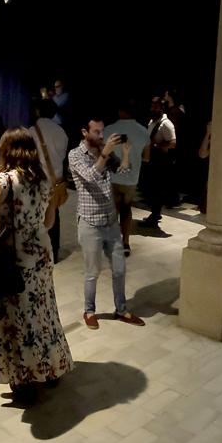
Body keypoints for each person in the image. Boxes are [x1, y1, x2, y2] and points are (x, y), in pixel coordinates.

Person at [0, 129, 72, 405]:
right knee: (44, 313)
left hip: (11, 256)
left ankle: (24, 382)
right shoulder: (43, 179)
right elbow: (49, 222)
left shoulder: (4, 181)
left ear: (7, 150)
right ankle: (50, 370)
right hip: (39, 252)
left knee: (14, 320)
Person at [67, 117, 146, 330]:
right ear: (85, 132)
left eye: (102, 132)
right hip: (90, 223)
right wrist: (104, 153)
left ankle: (121, 310)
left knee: (119, 269)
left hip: (111, 222)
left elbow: (123, 172)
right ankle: (89, 310)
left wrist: (127, 154)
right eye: (96, 132)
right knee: (92, 272)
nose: (101, 136)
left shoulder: (105, 152)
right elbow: (91, 176)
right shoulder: (75, 155)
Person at [105, 103, 150, 256]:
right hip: (131, 177)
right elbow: (147, 157)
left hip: (112, 175)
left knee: (113, 210)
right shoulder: (143, 131)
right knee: (126, 209)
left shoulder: (109, 129)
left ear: (120, 111)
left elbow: (103, 153)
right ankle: (125, 242)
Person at [32, 98, 69, 257]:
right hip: (56, 180)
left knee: (37, 214)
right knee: (54, 213)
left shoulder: (31, 131)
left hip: (38, 179)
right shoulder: (61, 132)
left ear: (38, 111)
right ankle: (53, 249)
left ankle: (39, 250)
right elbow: (62, 155)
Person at [141, 97, 178, 228]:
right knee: (150, 187)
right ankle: (155, 212)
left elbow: (173, 143)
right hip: (151, 159)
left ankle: (155, 214)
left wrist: (156, 146)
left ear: (162, 108)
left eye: (155, 107)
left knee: (157, 188)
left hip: (160, 161)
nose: (153, 109)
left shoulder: (166, 124)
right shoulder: (152, 121)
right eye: (152, 106)